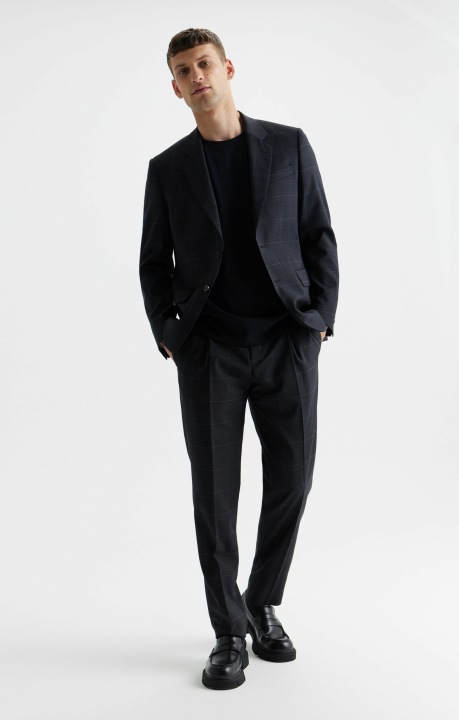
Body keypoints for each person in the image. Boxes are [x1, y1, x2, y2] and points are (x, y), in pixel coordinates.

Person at [139, 28, 339, 690]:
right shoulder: (167, 169)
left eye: (204, 63)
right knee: (215, 496)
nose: (196, 75)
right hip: (210, 351)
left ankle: (261, 601)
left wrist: (319, 319)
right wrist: (170, 334)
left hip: (286, 341)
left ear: (227, 68)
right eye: (183, 70)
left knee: (293, 480)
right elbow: (153, 262)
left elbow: (317, 234)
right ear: (175, 88)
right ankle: (228, 631)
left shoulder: (288, 146)